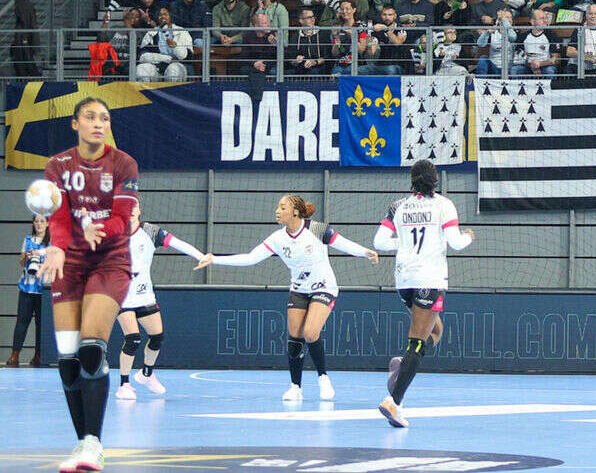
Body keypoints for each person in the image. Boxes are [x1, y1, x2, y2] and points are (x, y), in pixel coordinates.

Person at [37, 97, 141, 473]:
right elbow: (60, 217)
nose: (99, 123)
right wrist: (57, 249)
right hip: (71, 263)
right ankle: (83, 443)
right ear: (75, 124)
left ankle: (94, 444)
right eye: (91, 117)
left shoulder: (124, 163)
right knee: (67, 360)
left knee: (91, 350)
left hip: (110, 260)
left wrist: (100, 229)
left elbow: (123, 216)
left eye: (105, 118)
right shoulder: (57, 166)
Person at [196, 195, 378, 403]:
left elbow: (343, 243)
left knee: (310, 333)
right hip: (299, 289)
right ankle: (295, 387)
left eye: (282, 207)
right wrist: (215, 259)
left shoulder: (316, 229)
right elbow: (250, 258)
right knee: (295, 336)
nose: (277, 210)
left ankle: (323, 378)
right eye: (277, 207)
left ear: (295, 211)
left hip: (324, 287)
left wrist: (365, 252)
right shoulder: (277, 239)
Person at [372, 160, 475, 427]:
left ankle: (402, 364)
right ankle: (393, 402)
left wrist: (403, 242)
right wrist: (469, 237)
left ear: (412, 179)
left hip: (404, 279)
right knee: (417, 341)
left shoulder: (399, 206)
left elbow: (379, 242)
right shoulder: (444, 205)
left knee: (435, 331)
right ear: (435, 179)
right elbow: (455, 242)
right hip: (429, 278)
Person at [112, 202, 204, 401]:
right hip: (121, 296)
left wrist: (200, 256)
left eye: (133, 206)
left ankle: (146, 374)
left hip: (144, 295)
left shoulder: (150, 231)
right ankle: (124, 384)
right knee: (133, 338)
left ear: (139, 210)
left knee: (157, 337)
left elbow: (177, 243)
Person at [9, 212, 47, 367]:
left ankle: (38, 356)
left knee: (41, 325)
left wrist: (40, 266)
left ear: (48, 224)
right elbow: (21, 262)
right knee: (21, 323)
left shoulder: (51, 243)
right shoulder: (27, 240)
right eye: (36, 221)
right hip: (26, 288)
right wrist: (26, 256)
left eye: (42, 221)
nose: (38, 224)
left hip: (43, 290)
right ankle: (14, 355)